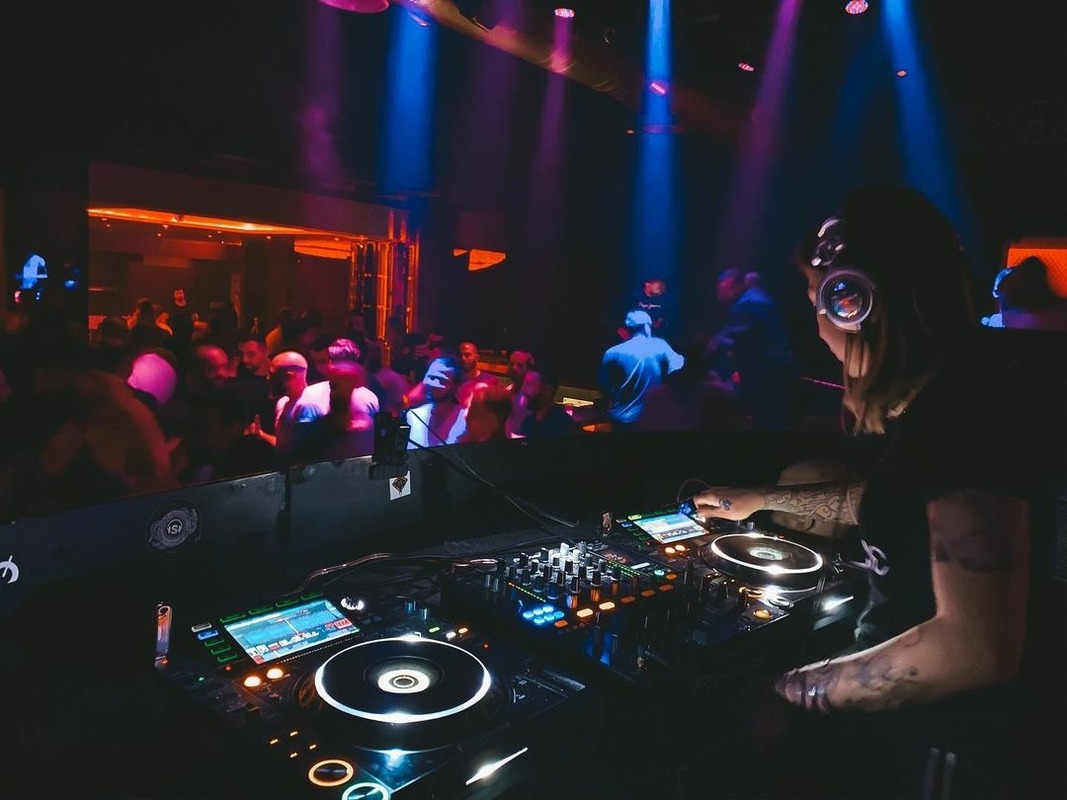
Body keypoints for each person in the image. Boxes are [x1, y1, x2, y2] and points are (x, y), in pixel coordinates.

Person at [691, 185, 1065, 799]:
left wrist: (789, 691)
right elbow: (901, 502)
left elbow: (975, 649)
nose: (819, 330)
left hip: (953, 753)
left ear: (855, 302)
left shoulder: (961, 418)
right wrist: (764, 498)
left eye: (820, 304)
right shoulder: (954, 397)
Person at [704, 267, 799, 430]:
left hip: (768, 374)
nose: (720, 297)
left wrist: (699, 357)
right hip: (777, 371)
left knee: (767, 421)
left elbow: (725, 339)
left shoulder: (748, 306)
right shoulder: (758, 297)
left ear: (737, 286)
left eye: (723, 291)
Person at [599, 309, 685, 429]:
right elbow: (678, 368)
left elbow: (604, 384)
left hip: (620, 419)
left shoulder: (612, 352)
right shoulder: (660, 345)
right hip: (650, 418)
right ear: (646, 327)